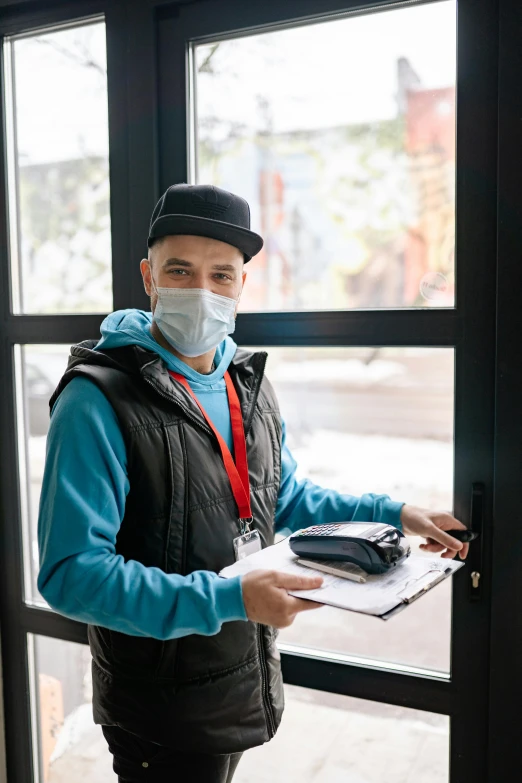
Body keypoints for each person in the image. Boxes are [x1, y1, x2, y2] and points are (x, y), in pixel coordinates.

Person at [37, 183, 469, 783]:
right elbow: (72, 576)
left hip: (237, 676)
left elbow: (285, 497)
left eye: (222, 276)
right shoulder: (97, 399)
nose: (202, 291)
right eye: (180, 270)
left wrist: (397, 513)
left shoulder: (246, 381)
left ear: (242, 285)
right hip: (157, 706)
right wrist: (230, 599)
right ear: (148, 276)